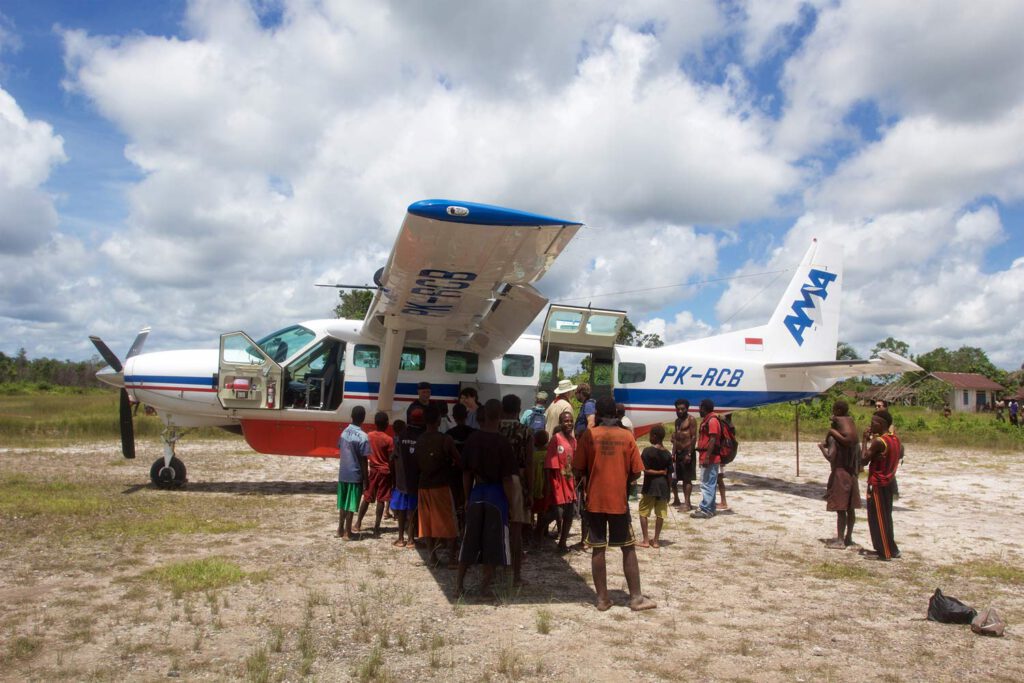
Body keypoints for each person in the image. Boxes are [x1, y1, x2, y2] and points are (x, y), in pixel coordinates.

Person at [574, 397, 656, 611]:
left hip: (594, 502)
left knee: (598, 549)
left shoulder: (588, 436)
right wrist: (621, 478)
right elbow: (637, 471)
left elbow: (577, 468)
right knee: (628, 547)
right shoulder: (627, 437)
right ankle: (636, 598)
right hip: (618, 502)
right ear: (617, 415)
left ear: (598, 415)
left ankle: (602, 599)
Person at [456, 399, 519, 599]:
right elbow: (507, 478)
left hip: (477, 492)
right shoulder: (503, 442)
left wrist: (467, 498)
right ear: (499, 416)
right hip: (496, 495)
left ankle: (458, 586)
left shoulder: (472, 439)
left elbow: (466, 473)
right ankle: (484, 588)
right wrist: (511, 503)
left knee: (469, 541)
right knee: (493, 544)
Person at [415, 405, 461, 567]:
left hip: (423, 485)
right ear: (438, 420)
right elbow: (459, 460)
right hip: (441, 485)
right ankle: (451, 558)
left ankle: (432, 558)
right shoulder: (445, 439)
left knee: (426, 522)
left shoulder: (419, 440)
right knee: (449, 522)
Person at [499, 394, 533, 587]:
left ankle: (497, 570)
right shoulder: (525, 431)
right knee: (516, 529)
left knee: (497, 526)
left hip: (495, 480)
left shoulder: (494, 428)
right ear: (519, 409)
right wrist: (531, 491)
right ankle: (516, 575)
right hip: (517, 482)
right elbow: (528, 463)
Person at [818, 400, 860, 549]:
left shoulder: (834, 438)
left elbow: (831, 456)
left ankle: (840, 540)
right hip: (852, 474)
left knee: (841, 510)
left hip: (840, 474)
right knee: (851, 509)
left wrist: (821, 448)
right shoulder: (854, 440)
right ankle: (848, 537)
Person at [862, 410, 901, 560]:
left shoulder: (879, 442)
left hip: (878, 483)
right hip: (889, 483)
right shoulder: (895, 439)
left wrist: (865, 440)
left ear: (881, 424)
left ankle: (884, 552)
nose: (870, 425)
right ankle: (892, 548)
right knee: (886, 517)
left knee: (877, 518)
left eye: (873, 423)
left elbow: (863, 459)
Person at [541, 410, 576, 552]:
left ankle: (562, 542)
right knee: (557, 512)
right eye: (565, 421)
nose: (569, 423)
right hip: (557, 481)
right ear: (560, 423)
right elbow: (549, 464)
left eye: (570, 420)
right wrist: (548, 485)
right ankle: (538, 530)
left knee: (570, 513)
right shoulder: (556, 439)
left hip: (569, 481)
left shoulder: (574, 441)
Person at [354, 411, 394, 538]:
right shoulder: (389, 440)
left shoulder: (369, 436)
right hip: (385, 472)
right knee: (381, 500)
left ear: (375, 423)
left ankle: (358, 523)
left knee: (367, 497)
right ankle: (377, 527)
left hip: (373, 470)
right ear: (387, 424)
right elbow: (391, 458)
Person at [390, 407, 424, 548]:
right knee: (412, 510)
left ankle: (400, 539)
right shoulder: (423, 437)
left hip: (401, 481)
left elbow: (393, 458)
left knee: (402, 510)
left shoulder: (399, 436)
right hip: (415, 480)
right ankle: (411, 539)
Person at [337, 406, 370, 540]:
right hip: (355, 474)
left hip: (343, 473)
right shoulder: (363, 436)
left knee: (343, 503)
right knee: (351, 504)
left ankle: (340, 528)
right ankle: (347, 532)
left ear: (351, 416)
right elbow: (364, 460)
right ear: (363, 419)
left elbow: (340, 447)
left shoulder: (344, 432)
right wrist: (365, 479)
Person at [638, 424, 671, 549]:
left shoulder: (647, 451)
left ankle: (646, 540)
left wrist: (659, 472)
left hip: (650, 487)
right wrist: (669, 491)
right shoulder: (667, 454)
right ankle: (656, 540)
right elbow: (669, 475)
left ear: (655, 436)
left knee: (643, 512)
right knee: (660, 514)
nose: (649, 437)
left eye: (650, 435)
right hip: (663, 488)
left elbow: (645, 471)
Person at [445, 403, 476, 533]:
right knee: (467, 499)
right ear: (466, 415)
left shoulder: (449, 434)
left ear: (453, 417)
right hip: (471, 472)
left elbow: (446, 455)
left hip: (453, 472)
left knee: (456, 500)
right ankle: (466, 527)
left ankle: (456, 527)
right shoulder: (474, 433)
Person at [691, 399, 721, 519]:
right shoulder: (709, 419)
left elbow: (713, 439)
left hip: (711, 458)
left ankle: (706, 509)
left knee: (707, 484)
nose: (699, 410)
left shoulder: (712, 421)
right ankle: (710, 508)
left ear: (704, 408)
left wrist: (707, 456)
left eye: (700, 408)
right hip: (708, 457)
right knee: (709, 483)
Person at [671, 398, 697, 510]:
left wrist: (690, 454)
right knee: (675, 479)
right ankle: (677, 500)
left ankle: (687, 503)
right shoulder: (677, 421)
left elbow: (694, 437)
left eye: (682, 409)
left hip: (687, 452)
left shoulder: (691, 419)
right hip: (679, 452)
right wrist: (673, 453)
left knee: (687, 479)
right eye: (678, 409)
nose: (680, 411)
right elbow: (676, 438)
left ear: (687, 409)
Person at [529, 429, 550, 538]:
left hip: (534, 487)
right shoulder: (549, 456)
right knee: (543, 512)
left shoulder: (533, 455)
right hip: (545, 488)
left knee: (531, 510)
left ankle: (530, 530)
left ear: (535, 442)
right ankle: (542, 532)